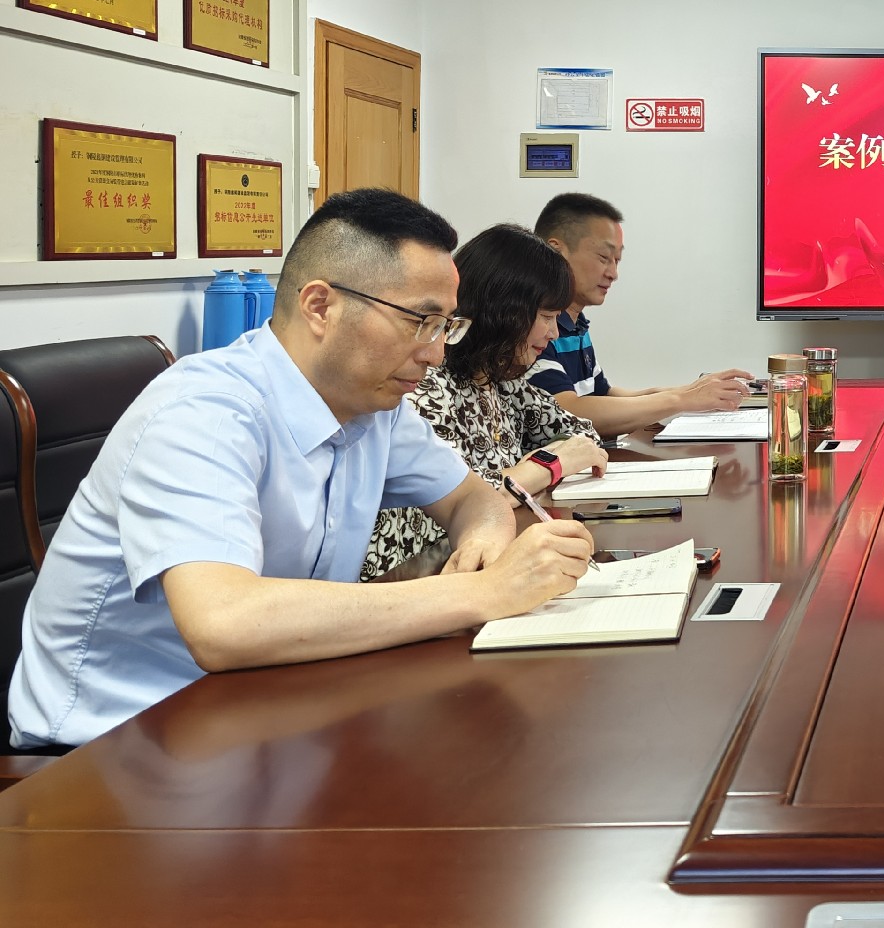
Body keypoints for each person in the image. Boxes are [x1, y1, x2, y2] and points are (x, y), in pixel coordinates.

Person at [8, 189, 594, 751]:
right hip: (113, 749)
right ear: (320, 307)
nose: (436, 352)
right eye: (420, 321)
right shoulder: (205, 413)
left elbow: (474, 498)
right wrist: (480, 592)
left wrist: (484, 545)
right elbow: (223, 623)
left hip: (268, 709)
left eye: (446, 326)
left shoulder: (374, 405)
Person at [361, 223, 608, 581]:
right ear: (504, 311)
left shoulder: (502, 383)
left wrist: (527, 473)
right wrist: (547, 466)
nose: (554, 333)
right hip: (415, 579)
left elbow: (584, 439)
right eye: (546, 317)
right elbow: (443, 511)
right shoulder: (425, 387)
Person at [529, 192, 751, 436]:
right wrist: (681, 400)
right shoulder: (532, 325)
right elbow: (566, 412)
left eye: (617, 260)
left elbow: (603, 396)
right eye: (604, 258)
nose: (613, 274)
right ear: (556, 252)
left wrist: (692, 391)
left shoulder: (575, 324)